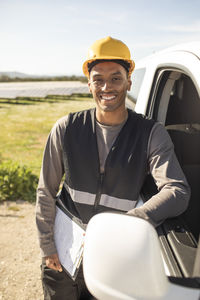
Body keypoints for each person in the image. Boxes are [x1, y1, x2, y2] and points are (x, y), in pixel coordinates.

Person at [36, 36, 190, 299]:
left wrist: (132, 221)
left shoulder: (151, 133)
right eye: (98, 79)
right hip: (63, 254)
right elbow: (45, 192)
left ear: (128, 82)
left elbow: (177, 190)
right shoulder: (66, 128)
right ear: (89, 84)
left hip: (112, 255)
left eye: (116, 78)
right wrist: (47, 246)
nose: (106, 86)